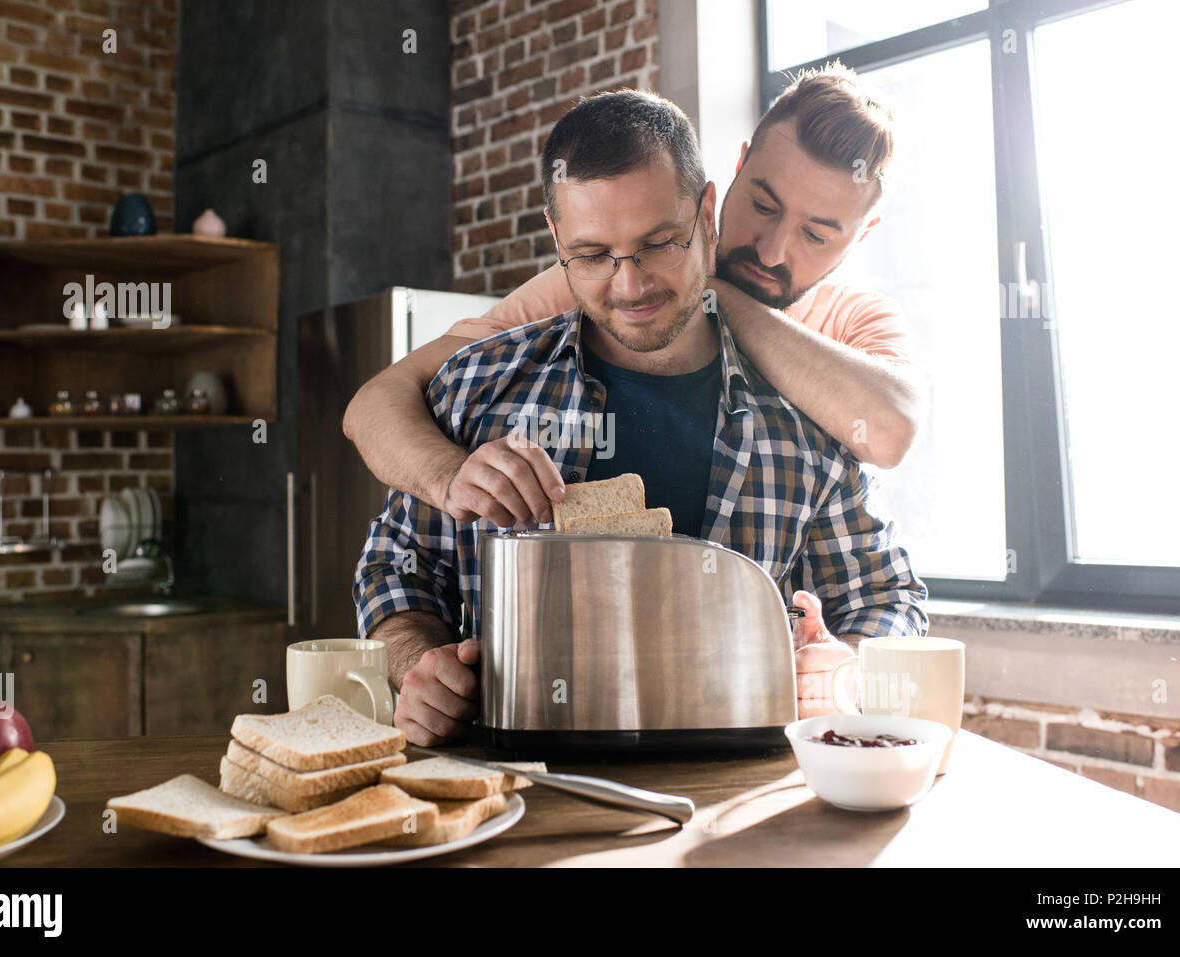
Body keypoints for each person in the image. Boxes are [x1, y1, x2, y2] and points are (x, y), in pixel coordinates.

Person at [353, 89, 927, 747]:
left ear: (704, 215)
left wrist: (845, 665)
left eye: (660, 244)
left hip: (739, 812)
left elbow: (889, 598)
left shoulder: (815, 406)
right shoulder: (484, 381)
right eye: (593, 255)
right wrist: (416, 661)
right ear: (557, 240)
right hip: (518, 801)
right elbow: (395, 565)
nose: (629, 287)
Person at [343, 62, 923, 534]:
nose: (770, 250)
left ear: (862, 235)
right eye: (764, 206)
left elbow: (890, 433)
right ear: (739, 167)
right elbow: (375, 402)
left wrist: (713, 291)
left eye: (816, 234)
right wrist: (450, 479)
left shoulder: (858, 322)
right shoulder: (626, 278)